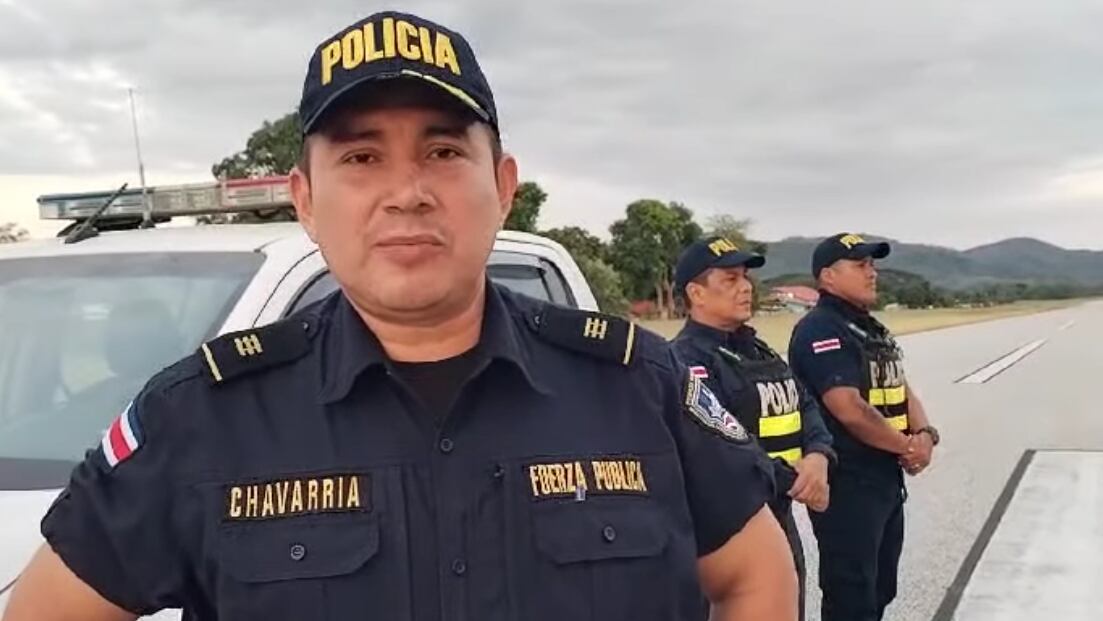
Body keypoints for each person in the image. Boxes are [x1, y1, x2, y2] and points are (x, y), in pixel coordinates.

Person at [3, 11, 799, 621]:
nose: (407, 190)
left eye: (444, 152)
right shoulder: (202, 418)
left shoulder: (638, 386)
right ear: (306, 200)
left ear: (504, 184)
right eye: (360, 156)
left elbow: (756, 574)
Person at [669, 236, 837, 621]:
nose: (745, 286)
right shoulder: (684, 362)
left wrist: (819, 457)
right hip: (732, 533)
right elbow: (719, 444)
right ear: (696, 293)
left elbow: (804, 403)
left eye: (745, 277)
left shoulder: (756, 351)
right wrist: (797, 480)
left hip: (781, 515)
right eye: (730, 279)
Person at [788, 233, 941, 621]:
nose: (872, 272)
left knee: (880, 588)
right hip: (848, 483)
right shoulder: (821, 329)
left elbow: (900, 387)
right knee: (851, 593)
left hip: (885, 478)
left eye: (872, 264)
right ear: (828, 276)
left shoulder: (871, 329)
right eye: (860, 265)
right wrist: (906, 447)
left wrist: (925, 434)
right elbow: (849, 408)